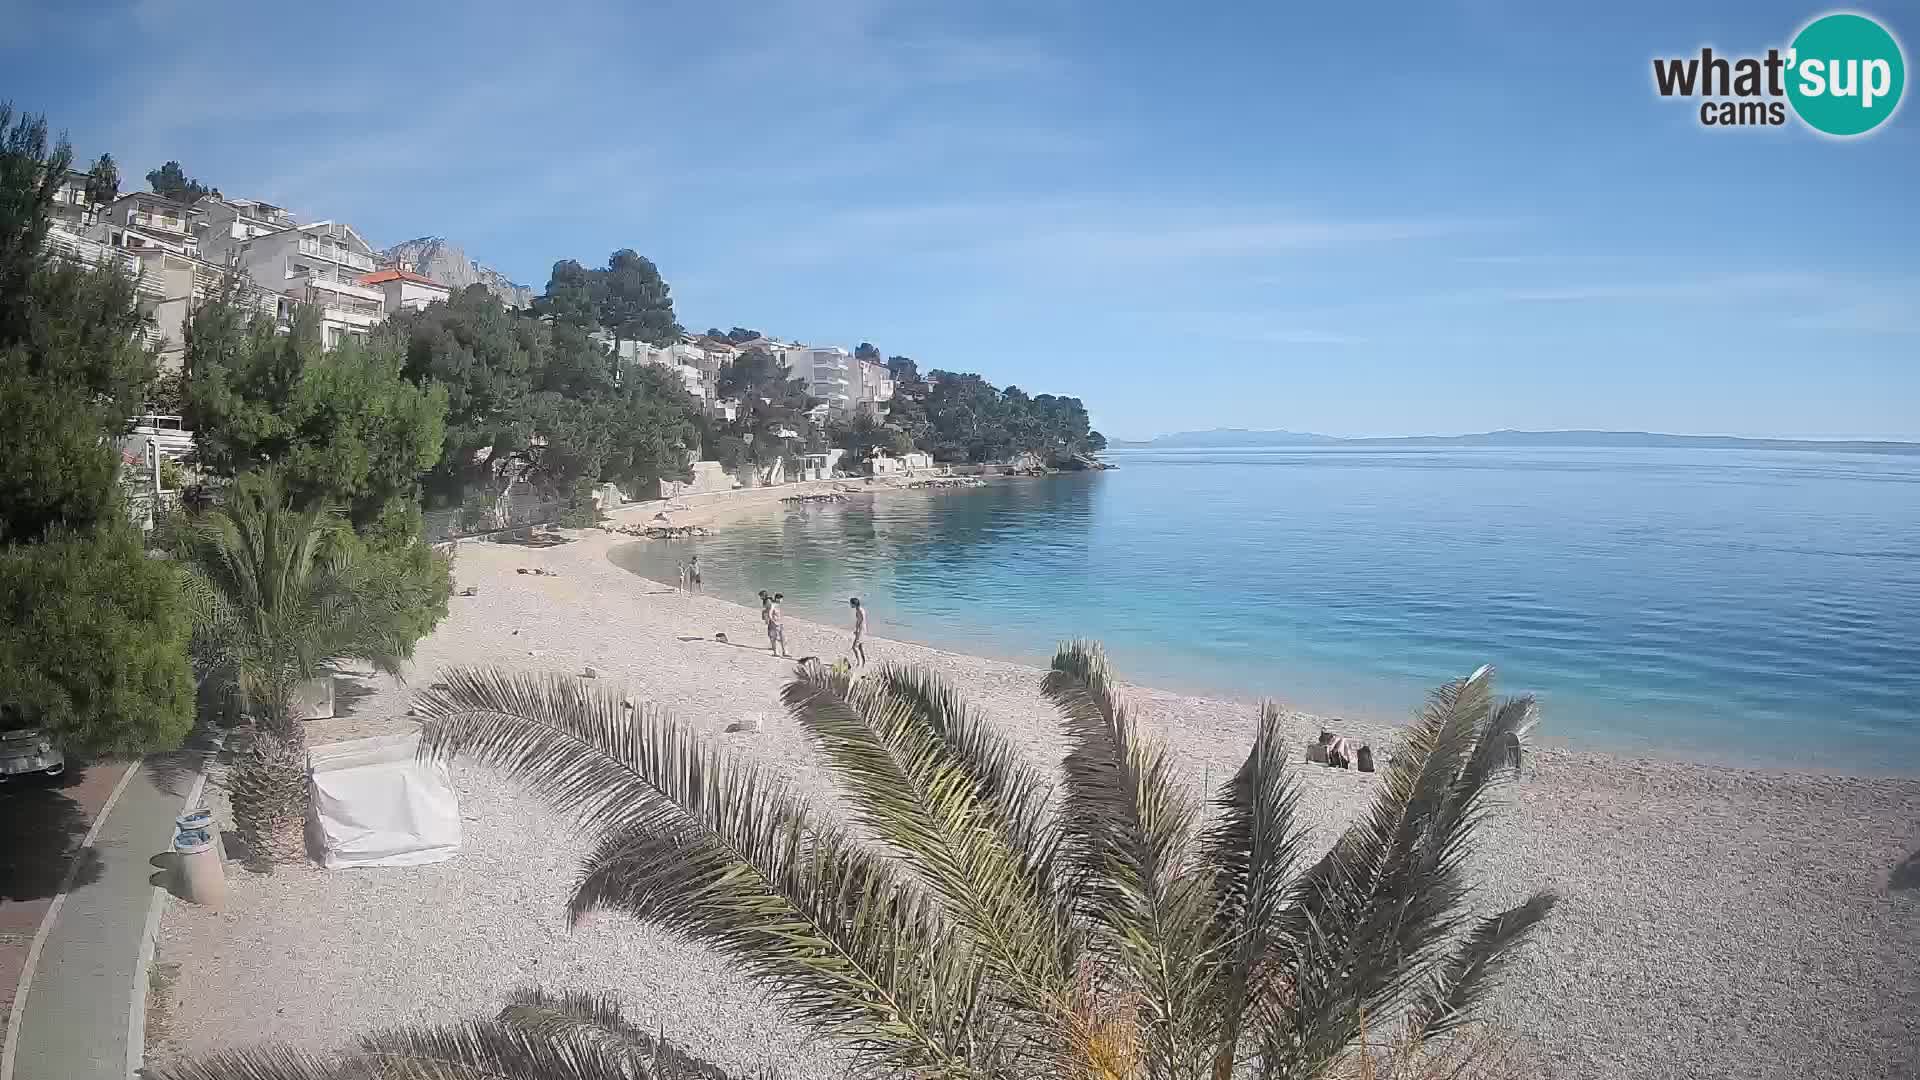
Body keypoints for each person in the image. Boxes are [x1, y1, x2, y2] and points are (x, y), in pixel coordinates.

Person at [767, 593, 788, 657]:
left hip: (780, 624)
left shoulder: (778, 605)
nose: (782, 600)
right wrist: (773, 621)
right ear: (777, 599)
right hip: (774, 624)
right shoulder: (772, 605)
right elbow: (769, 614)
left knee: (783, 638)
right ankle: (776, 652)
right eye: (781, 599)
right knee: (774, 638)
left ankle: (785, 652)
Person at [848, 597, 868, 664]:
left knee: (854, 647)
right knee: (860, 646)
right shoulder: (858, 609)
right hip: (861, 629)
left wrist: (858, 630)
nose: (850, 604)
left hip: (861, 630)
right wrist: (856, 629)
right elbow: (859, 621)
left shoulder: (860, 611)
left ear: (854, 604)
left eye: (851, 603)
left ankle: (858, 662)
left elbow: (861, 621)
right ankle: (864, 661)